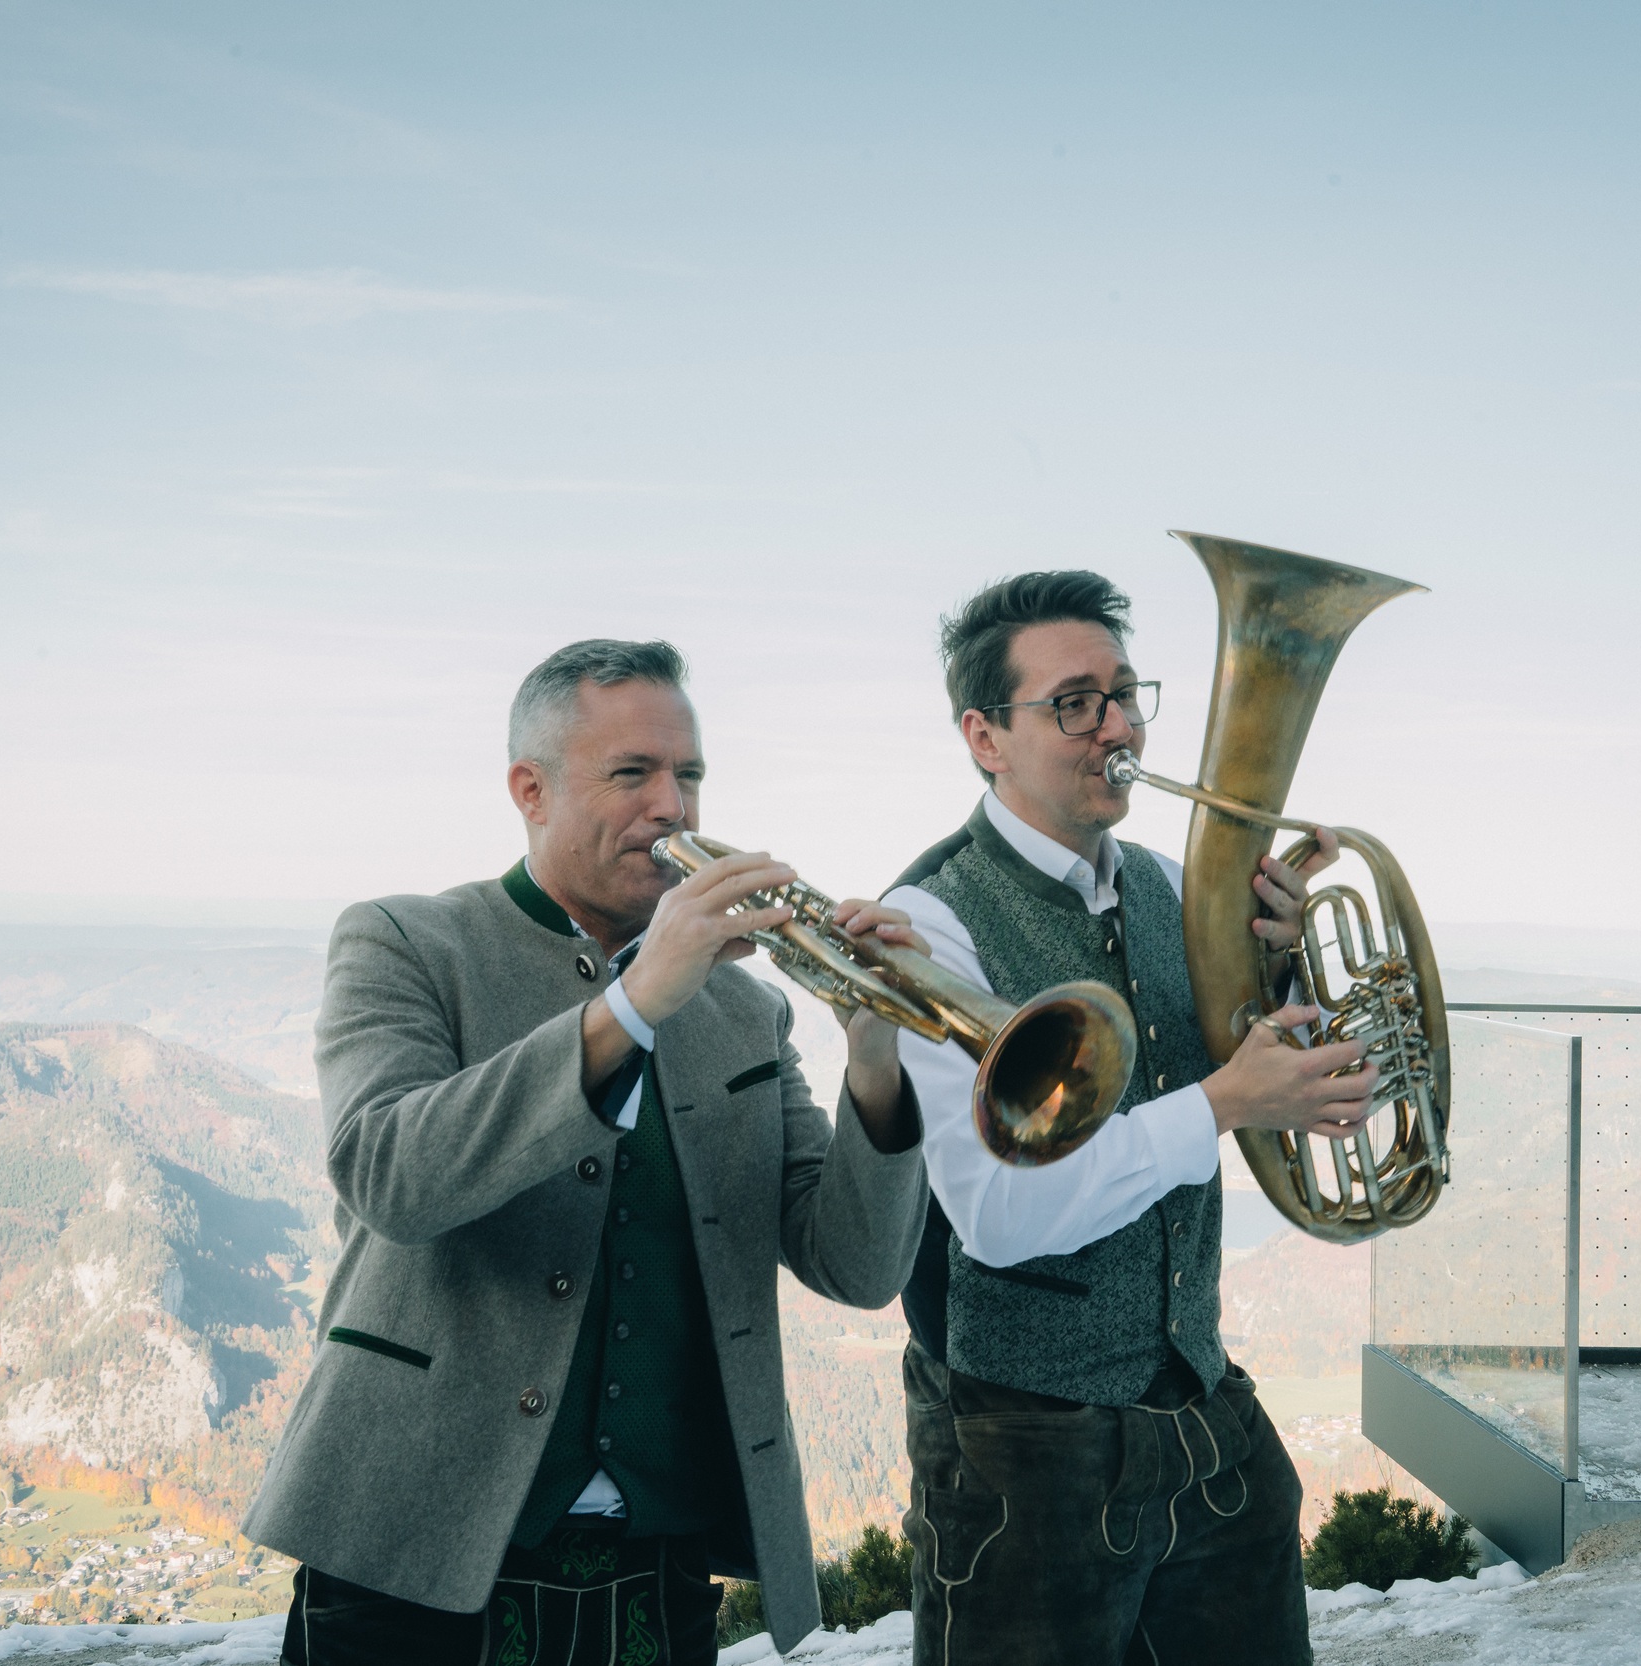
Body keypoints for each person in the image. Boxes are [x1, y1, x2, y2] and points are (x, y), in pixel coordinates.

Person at [244, 638, 931, 1666]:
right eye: (632, 773)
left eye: (688, 774)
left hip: (659, 1566)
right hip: (407, 1550)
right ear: (530, 789)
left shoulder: (746, 1009)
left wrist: (874, 1047)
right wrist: (634, 1002)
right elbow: (390, 1175)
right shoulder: (406, 942)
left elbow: (859, 1266)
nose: (674, 806)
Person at [883, 572, 1377, 1666]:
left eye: (1122, 694)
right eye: (1073, 702)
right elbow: (1000, 1216)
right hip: (1021, 1447)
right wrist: (1220, 1101)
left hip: (1198, 1406)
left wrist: (1290, 969)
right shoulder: (926, 926)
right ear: (984, 736)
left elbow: (1296, 1091)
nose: (1114, 727)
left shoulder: (1167, 884)